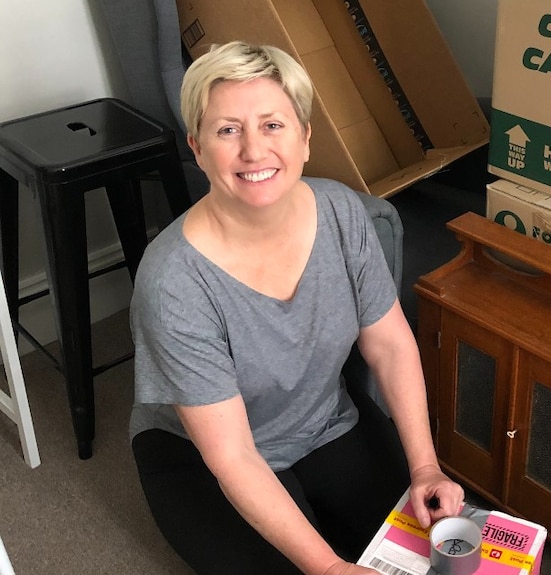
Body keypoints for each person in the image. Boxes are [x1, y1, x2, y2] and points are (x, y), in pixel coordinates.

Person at [128, 40, 464, 575]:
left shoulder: (342, 213)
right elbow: (234, 456)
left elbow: (390, 343)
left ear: (305, 138)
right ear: (197, 147)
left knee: (437, 548)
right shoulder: (173, 281)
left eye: (273, 125)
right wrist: (327, 567)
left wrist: (425, 467)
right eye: (228, 130)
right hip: (203, 459)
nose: (254, 151)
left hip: (324, 421)